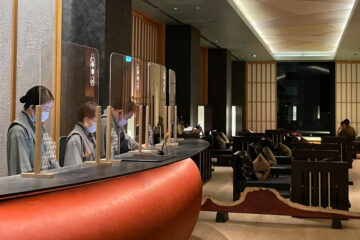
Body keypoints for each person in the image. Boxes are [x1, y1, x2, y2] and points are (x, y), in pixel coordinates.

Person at [7, 85, 59, 175]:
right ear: (32, 108)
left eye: (49, 110)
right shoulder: (18, 130)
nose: (47, 113)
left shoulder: (39, 127)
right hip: (30, 186)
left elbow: (51, 159)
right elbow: (23, 172)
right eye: (46, 109)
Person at [64, 101, 97, 166]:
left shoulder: (90, 135)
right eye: (96, 121)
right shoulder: (75, 139)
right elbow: (73, 169)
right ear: (86, 120)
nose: (98, 124)